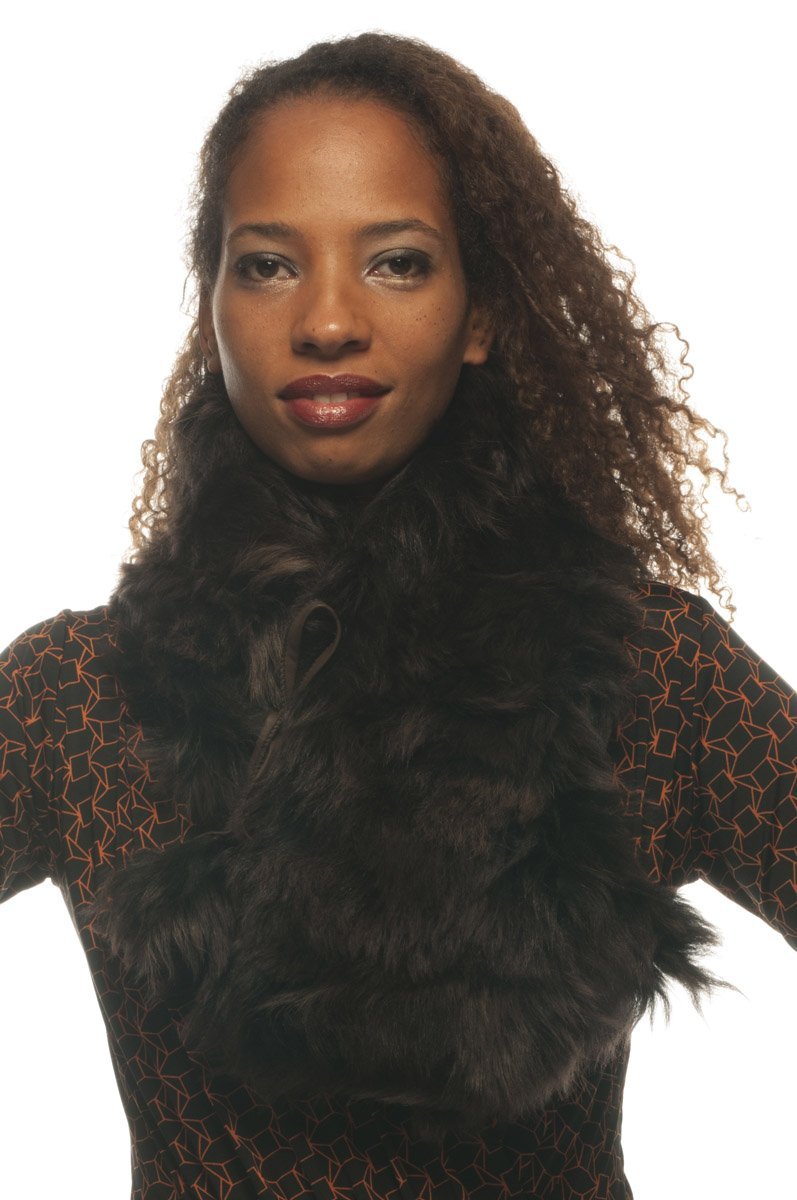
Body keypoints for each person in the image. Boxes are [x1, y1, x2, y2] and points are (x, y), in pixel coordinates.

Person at [1, 30, 794, 1200]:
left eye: (397, 262)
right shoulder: (75, 694)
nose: (327, 320)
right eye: (266, 265)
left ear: (478, 315)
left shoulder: (651, 671)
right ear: (210, 309)